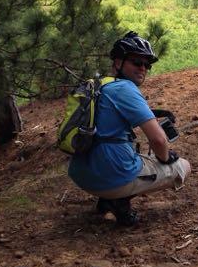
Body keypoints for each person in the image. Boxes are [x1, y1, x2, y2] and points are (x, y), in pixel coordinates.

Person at [68, 31, 191, 226]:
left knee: (127, 150)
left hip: (81, 175)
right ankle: (118, 201)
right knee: (183, 166)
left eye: (146, 65)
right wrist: (166, 159)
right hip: (109, 178)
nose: (143, 68)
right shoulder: (126, 88)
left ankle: (108, 199)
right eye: (136, 62)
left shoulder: (101, 86)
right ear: (118, 63)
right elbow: (158, 140)